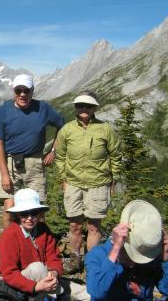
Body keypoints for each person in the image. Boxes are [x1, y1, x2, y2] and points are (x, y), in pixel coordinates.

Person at [55, 90, 122, 274]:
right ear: (76, 107)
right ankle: (75, 260)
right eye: (80, 105)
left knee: (94, 226)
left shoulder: (105, 129)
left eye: (88, 106)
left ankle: (92, 263)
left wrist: (113, 178)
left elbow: (116, 155)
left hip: (98, 183)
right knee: (74, 225)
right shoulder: (67, 129)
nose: (84, 109)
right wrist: (63, 178)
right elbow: (59, 156)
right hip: (73, 183)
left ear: (95, 108)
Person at [0, 74, 64, 229]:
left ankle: (38, 246)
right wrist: (4, 174)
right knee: (9, 209)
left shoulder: (43, 108)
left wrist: (53, 151)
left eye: (26, 90)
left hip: (35, 163)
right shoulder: (2, 111)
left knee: (37, 210)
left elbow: (61, 125)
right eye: (19, 90)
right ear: (14, 91)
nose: (22, 94)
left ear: (32, 91)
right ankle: (10, 244)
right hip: (10, 163)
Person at [85, 200, 168, 301]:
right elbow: (97, 292)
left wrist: (166, 260)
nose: (133, 263)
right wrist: (116, 249)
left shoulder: (149, 255)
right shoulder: (97, 254)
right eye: (130, 254)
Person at [0, 188, 63, 300]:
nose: (29, 218)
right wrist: (35, 287)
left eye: (34, 213)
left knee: (85, 292)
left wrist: (54, 273)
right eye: (24, 213)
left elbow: (54, 257)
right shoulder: (9, 235)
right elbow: (8, 273)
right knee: (37, 267)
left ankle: (55, 293)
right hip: (19, 284)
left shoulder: (43, 229)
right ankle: (55, 296)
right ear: (17, 215)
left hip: (43, 277)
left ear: (39, 214)